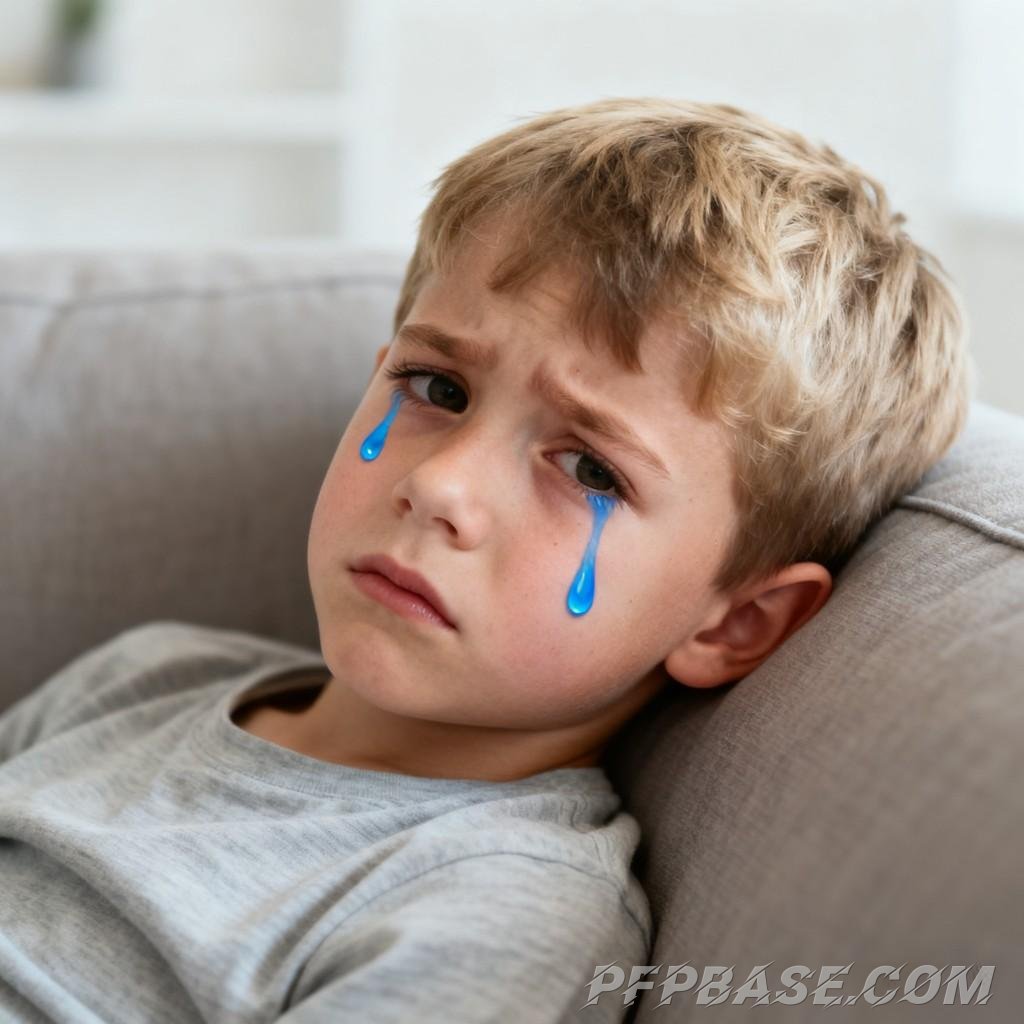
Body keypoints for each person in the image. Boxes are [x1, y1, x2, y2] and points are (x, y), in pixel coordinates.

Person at [0, 97, 974, 1023]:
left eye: (590, 468)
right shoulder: (145, 676)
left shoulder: (500, 912)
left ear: (734, 623)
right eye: (437, 388)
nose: (441, 485)